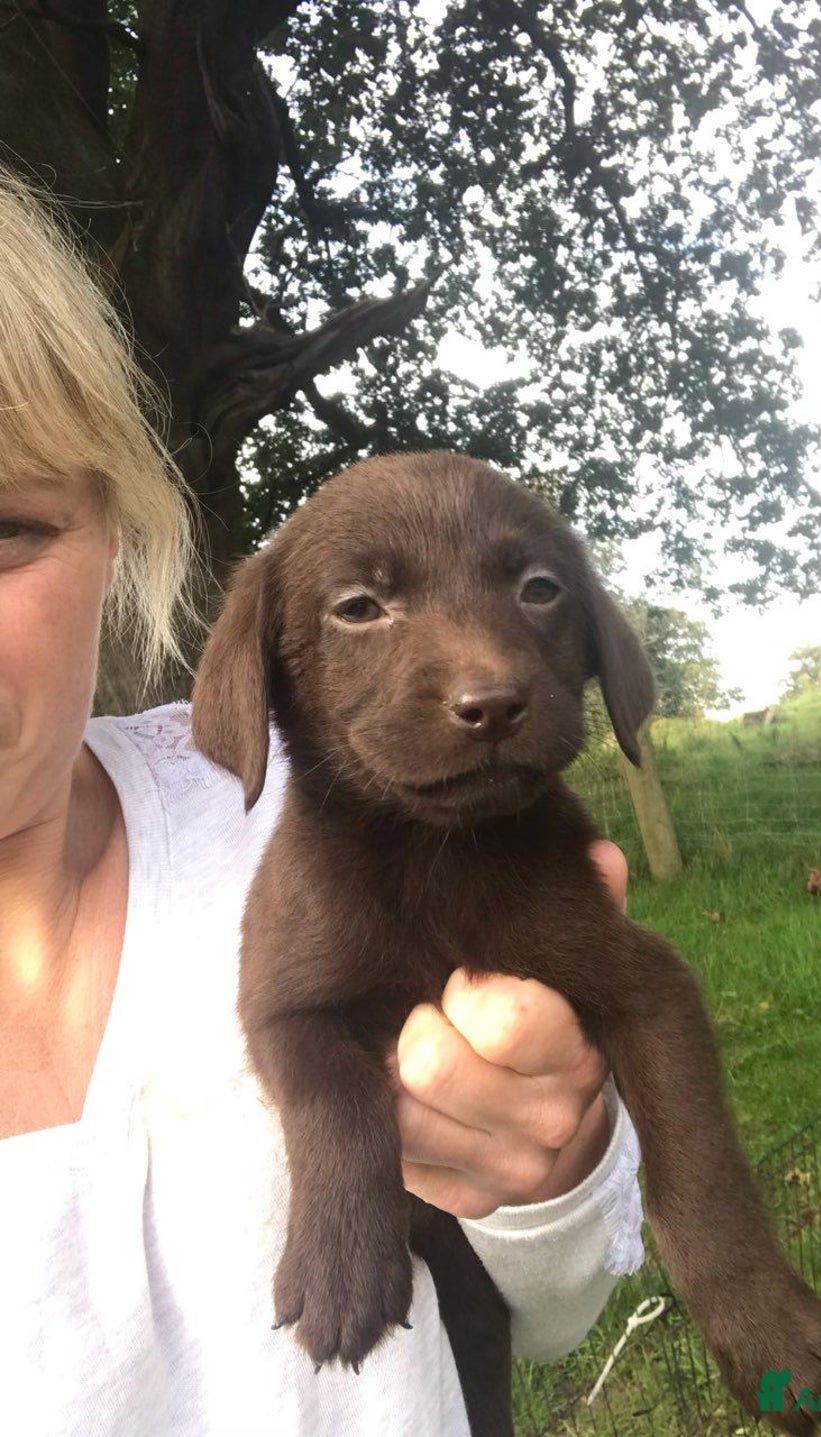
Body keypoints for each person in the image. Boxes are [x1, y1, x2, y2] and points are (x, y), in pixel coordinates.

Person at [0, 171, 644, 1436]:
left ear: (117, 532)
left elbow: (553, 1303)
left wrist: (548, 1169)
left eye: (7, 529)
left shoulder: (321, 814)